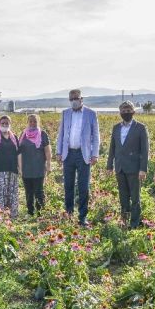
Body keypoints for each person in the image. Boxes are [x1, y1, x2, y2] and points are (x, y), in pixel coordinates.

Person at [56, 89, 100, 226]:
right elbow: (61, 134)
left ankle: (82, 217)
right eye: (71, 99)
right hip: (68, 153)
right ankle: (68, 214)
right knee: (68, 185)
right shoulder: (65, 113)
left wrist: (94, 154)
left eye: (76, 98)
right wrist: (58, 152)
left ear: (82, 99)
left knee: (83, 186)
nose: (73, 101)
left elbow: (96, 136)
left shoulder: (90, 114)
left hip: (83, 154)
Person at [106, 101, 149, 228]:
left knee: (135, 198)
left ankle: (134, 223)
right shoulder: (116, 128)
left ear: (133, 112)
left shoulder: (140, 128)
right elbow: (112, 148)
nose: (126, 112)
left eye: (128, 110)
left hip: (134, 168)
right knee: (123, 197)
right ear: (120, 113)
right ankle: (124, 220)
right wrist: (109, 166)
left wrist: (143, 169)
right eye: (123, 111)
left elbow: (144, 150)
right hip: (120, 167)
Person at [18, 114, 51, 216]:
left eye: (35, 121)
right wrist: (19, 167)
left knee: (39, 191)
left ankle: (40, 213)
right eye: (31, 121)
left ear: (38, 122)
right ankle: (30, 212)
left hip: (38, 167)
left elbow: (47, 151)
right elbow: (19, 151)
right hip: (26, 168)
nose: (32, 123)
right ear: (27, 122)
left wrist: (48, 165)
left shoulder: (42, 134)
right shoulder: (23, 134)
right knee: (28, 192)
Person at [0, 115, 20, 218]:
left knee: (12, 193)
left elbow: (18, 154)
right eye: (3, 123)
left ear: (10, 124)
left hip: (12, 170)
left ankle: (12, 216)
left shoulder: (14, 137)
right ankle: (0, 216)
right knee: (0, 193)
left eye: (7, 123)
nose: (5, 125)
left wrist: (20, 168)